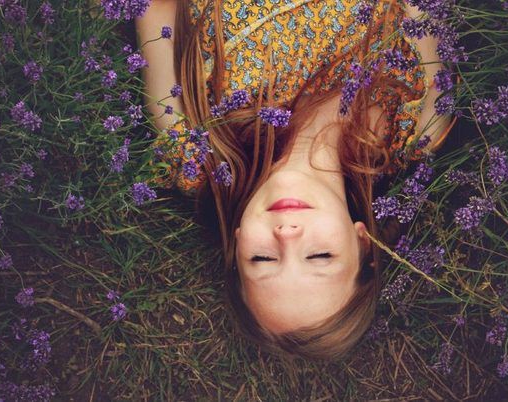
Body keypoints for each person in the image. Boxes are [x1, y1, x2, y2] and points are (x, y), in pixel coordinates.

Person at [135, 0, 456, 360]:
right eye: (320, 256)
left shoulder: (195, 152)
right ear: (363, 242)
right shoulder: (417, 125)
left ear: (238, 245)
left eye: (262, 259)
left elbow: (151, 11)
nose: (287, 236)